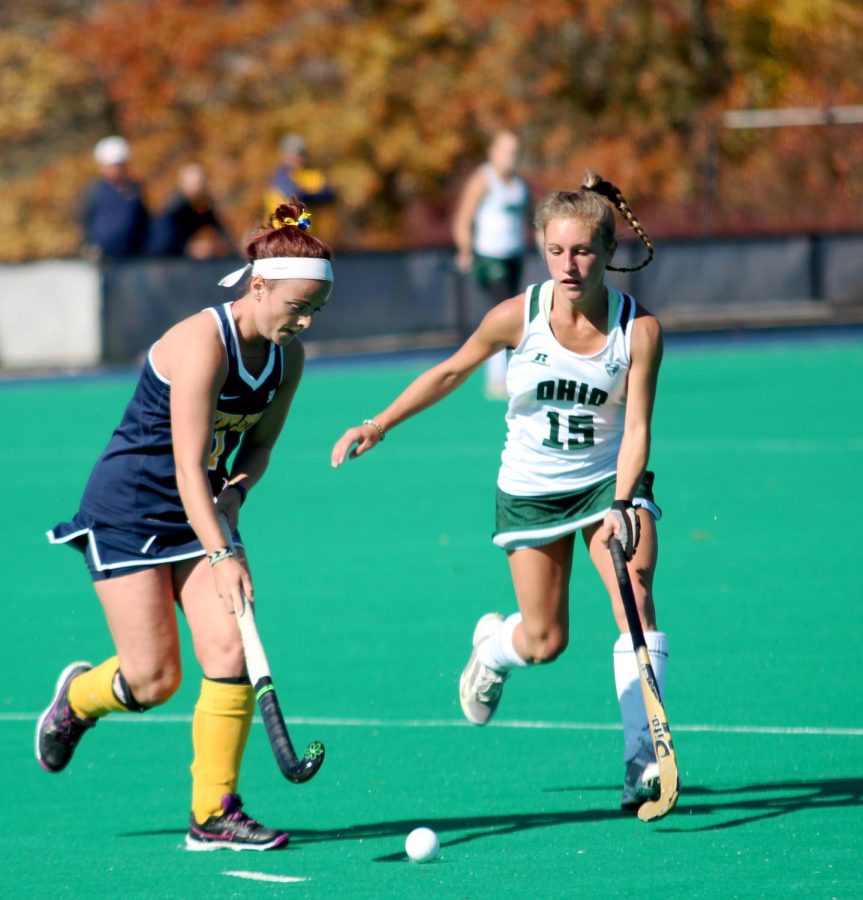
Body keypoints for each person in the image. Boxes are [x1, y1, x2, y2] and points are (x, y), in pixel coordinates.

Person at [332, 173, 665, 812]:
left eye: (585, 251)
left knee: (637, 603)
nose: (570, 265)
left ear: (607, 249)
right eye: (557, 251)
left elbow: (638, 425)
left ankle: (641, 760)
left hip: (606, 481)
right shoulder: (518, 316)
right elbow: (454, 369)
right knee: (545, 642)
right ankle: (492, 647)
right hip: (532, 489)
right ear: (542, 248)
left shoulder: (640, 330)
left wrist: (623, 506)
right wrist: (378, 424)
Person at [37, 199, 333, 851]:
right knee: (152, 681)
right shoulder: (202, 343)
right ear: (260, 286)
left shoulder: (289, 358)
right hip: (132, 507)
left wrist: (238, 495)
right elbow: (183, 464)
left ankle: (213, 812)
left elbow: (256, 449)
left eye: (316, 309)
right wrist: (223, 550)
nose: (306, 321)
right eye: (297, 306)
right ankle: (79, 700)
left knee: (227, 649)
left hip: (199, 503)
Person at [452, 130, 531, 398]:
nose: (511, 157)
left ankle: (507, 373)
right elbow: (463, 219)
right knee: (504, 311)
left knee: (511, 310)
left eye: (515, 151)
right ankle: (497, 377)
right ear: (493, 152)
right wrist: (465, 250)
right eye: (506, 151)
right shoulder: (482, 180)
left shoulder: (520, 184)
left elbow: (531, 219)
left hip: (514, 255)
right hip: (489, 256)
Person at [79, 135, 150, 259]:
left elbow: (144, 221)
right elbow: (84, 219)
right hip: (103, 258)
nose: (115, 170)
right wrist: (88, 245)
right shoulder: (95, 191)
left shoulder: (135, 190)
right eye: (112, 166)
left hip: (132, 258)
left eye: (119, 165)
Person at [149, 162, 234, 258]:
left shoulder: (204, 207)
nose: (198, 189)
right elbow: (163, 245)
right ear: (184, 184)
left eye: (201, 184)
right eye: (195, 184)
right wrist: (189, 249)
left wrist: (215, 246)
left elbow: (222, 233)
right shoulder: (173, 211)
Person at [265, 134, 338, 244]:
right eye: (291, 153)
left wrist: (309, 196)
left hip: (306, 239)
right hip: (279, 240)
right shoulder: (279, 175)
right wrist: (312, 196)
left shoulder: (313, 175)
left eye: (299, 153)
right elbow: (294, 195)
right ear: (283, 154)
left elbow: (330, 194)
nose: (296, 157)